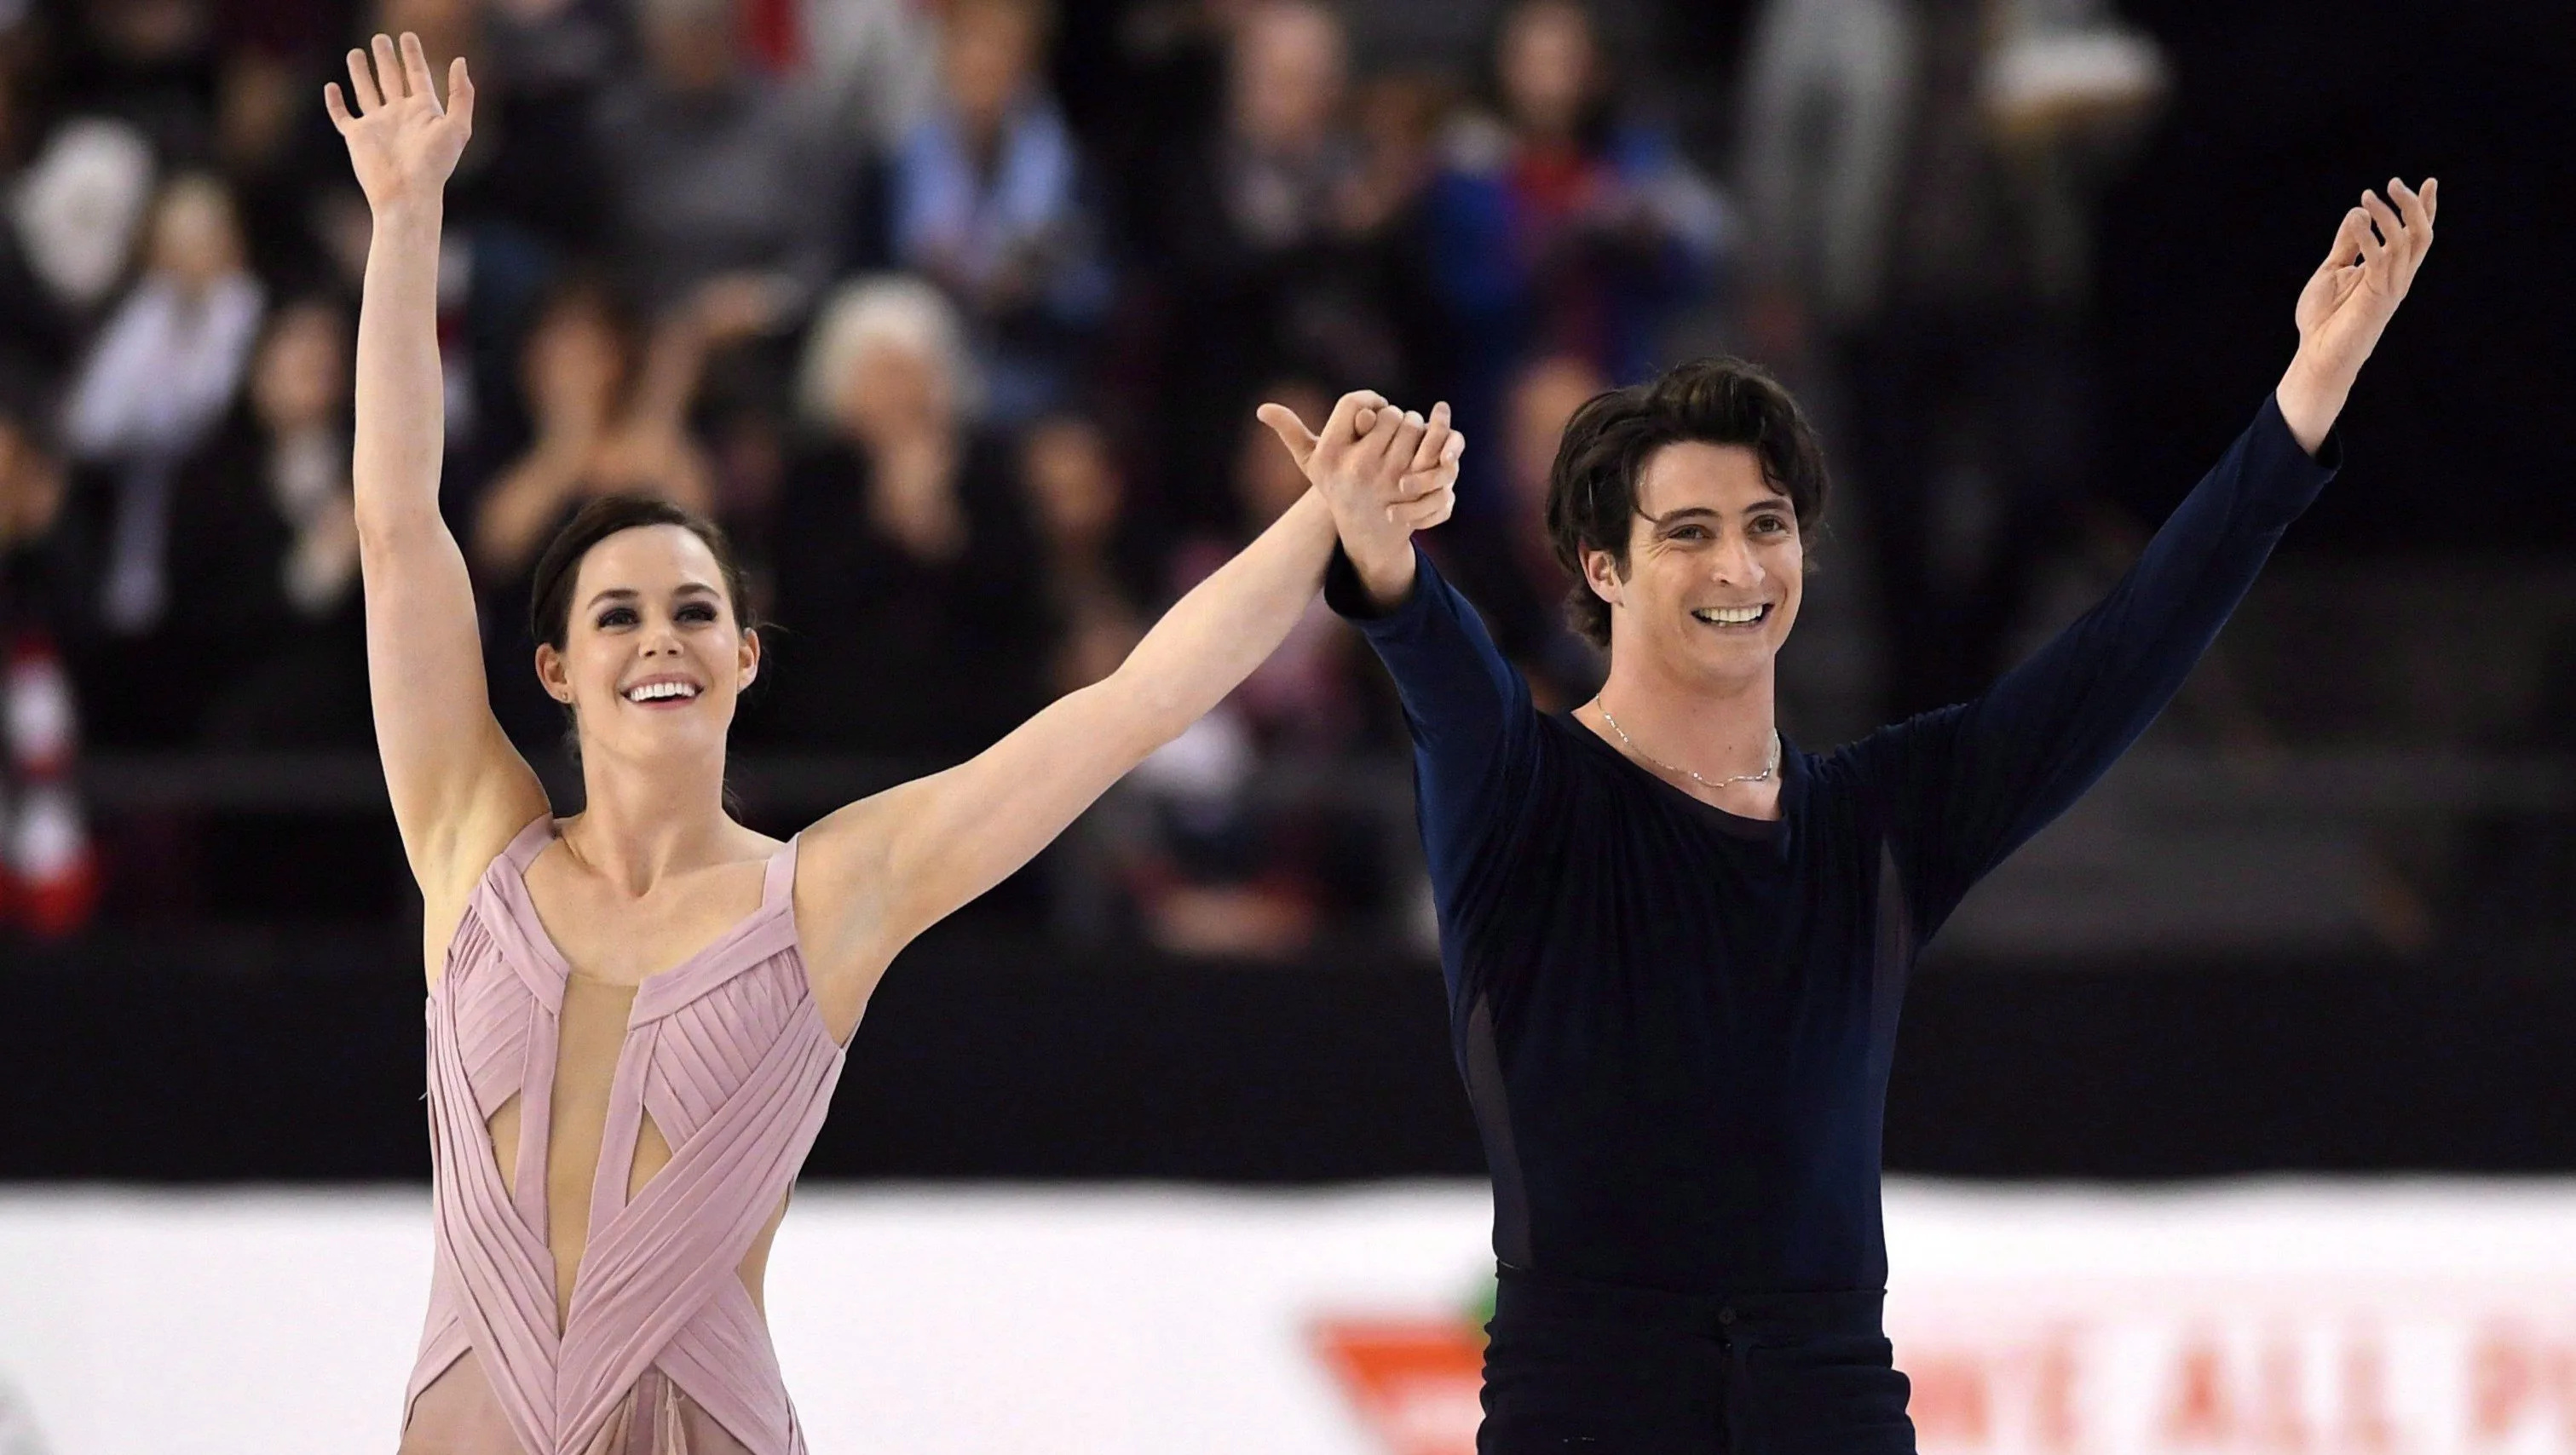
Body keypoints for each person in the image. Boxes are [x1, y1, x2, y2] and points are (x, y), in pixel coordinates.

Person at [326, 35, 1460, 1453]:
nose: (660, 639)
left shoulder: (823, 895)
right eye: (619, 615)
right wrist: (407, 216)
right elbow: (396, 534)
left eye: (694, 610)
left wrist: (1321, 527)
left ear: (745, 657)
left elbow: (1122, 713)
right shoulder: (469, 842)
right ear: (555, 667)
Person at [1288, 170, 2435, 1450]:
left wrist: (2304, 403)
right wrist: (1381, 550)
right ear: (1603, 569)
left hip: (1828, 1402)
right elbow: (1440, 666)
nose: (1739, 566)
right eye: (1691, 532)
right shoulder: (1527, 793)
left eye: (1768, 525)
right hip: (1585, 1407)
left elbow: (2122, 652)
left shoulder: (1873, 827)